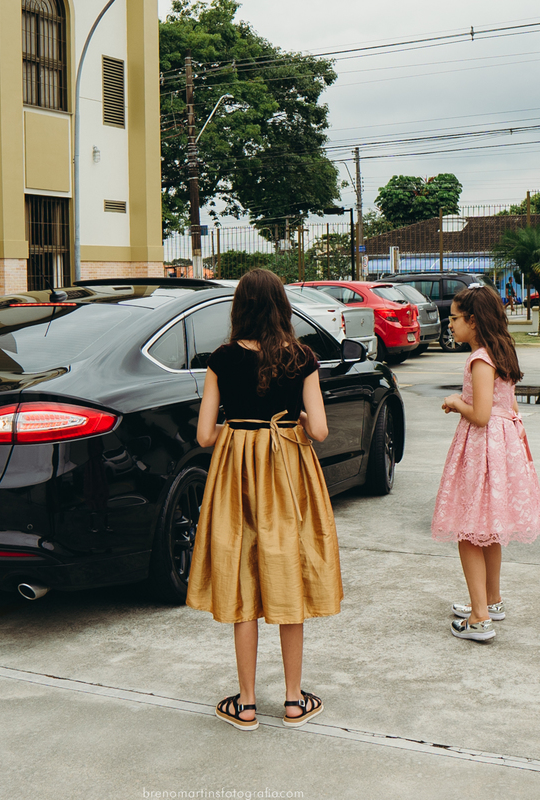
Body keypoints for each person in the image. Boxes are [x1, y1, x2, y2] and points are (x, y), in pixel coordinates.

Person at [186, 268, 343, 731]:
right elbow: (318, 431)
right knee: (288, 571)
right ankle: (294, 701)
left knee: (242, 577)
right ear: (281, 307)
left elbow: (203, 435)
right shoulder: (303, 356)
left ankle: (248, 704)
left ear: (240, 308)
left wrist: (235, 431)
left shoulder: (221, 358)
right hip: (287, 472)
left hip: (237, 472)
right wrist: (289, 417)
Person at [431, 286, 540, 641]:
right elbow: (506, 406)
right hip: (502, 445)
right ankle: (490, 600)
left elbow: (480, 414)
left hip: (482, 447)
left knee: (468, 528)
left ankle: (479, 618)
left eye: (453, 318)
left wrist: (454, 401)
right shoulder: (501, 350)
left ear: (473, 320)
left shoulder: (479, 358)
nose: (449, 324)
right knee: (488, 527)